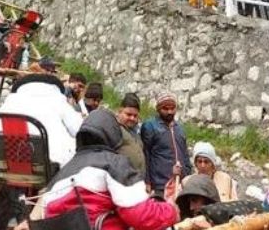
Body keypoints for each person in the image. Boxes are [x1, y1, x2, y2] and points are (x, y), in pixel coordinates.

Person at [41, 108, 179, 230]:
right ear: (114, 135)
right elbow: (139, 214)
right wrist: (171, 211)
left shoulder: (59, 176)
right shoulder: (114, 163)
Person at [0, 72, 82, 167]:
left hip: (3, 166)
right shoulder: (59, 101)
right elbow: (79, 130)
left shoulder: (9, 102)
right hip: (48, 168)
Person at [140, 93, 192, 197]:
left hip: (180, 184)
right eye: (165, 108)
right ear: (158, 109)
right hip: (160, 185)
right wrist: (148, 181)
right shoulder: (150, 126)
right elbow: (146, 155)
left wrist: (187, 176)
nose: (169, 112)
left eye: (172, 108)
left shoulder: (179, 129)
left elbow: (185, 154)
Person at [116, 93, 145, 175]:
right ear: (120, 111)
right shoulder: (113, 128)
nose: (132, 118)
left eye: (135, 116)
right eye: (128, 114)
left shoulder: (137, 132)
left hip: (137, 181)